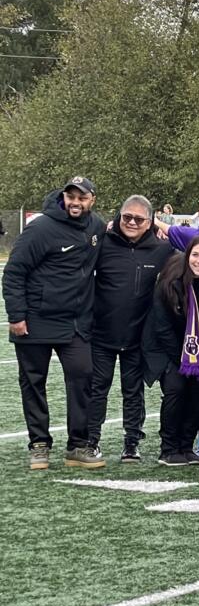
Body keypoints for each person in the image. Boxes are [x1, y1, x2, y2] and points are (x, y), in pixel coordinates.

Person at [3, 177, 107, 470]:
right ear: (63, 197)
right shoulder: (40, 228)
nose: (75, 203)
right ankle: (39, 444)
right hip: (35, 321)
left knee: (83, 376)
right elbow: (14, 273)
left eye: (81, 198)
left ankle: (77, 445)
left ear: (92, 200)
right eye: (70, 197)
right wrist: (17, 316)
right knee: (33, 382)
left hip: (75, 323)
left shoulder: (97, 227)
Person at [89, 195, 174, 462]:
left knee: (133, 391)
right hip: (101, 333)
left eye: (139, 219)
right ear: (119, 216)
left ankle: (131, 442)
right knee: (96, 389)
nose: (132, 222)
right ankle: (91, 440)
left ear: (150, 222)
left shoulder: (163, 248)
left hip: (138, 335)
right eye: (127, 217)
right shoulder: (103, 242)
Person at [142, 234, 199, 466]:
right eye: (195, 255)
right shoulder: (171, 282)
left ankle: (186, 446)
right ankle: (168, 448)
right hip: (167, 347)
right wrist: (183, 358)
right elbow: (161, 325)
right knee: (176, 389)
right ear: (187, 257)